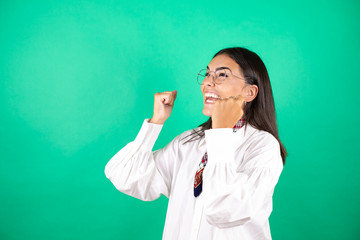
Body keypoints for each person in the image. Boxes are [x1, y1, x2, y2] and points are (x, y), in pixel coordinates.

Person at [104, 47, 287, 240]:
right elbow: (126, 178)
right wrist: (155, 122)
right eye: (207, 74)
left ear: (250, 92)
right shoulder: (188, 142)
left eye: (222, 75)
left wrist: (221, 134)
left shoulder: (263, 146)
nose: (208, 82)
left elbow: (224, 210)